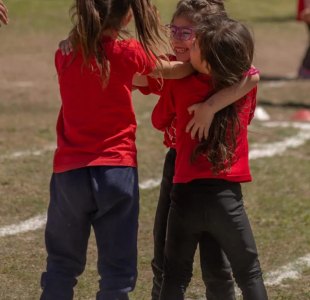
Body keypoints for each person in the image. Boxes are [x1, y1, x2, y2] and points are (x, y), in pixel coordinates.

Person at [40, 0, 193, 300]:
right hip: (116, 171)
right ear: (126, 18)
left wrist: (72, 37)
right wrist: (201, 60)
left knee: (61, 266)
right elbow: (174, 71)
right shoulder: (130, 52)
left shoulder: (64, 54)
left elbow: (83, 44)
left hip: (69, 174)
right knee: (117, 273)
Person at [132, 1, 260, 299]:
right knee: (167, 249)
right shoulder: (178, 67)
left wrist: (207, 104)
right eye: (173, 29)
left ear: (208, 37)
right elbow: (252, 75)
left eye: (185, 32)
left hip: (194, 175)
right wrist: (176, 70)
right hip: (186, 169)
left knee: (197, 262)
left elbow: (251, 75)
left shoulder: (227, 73)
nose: (176, 37)